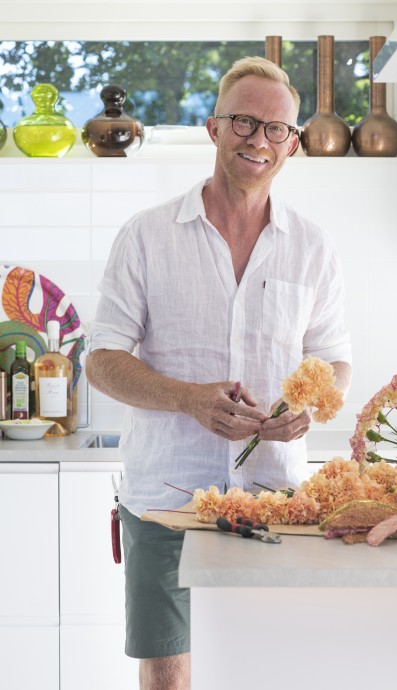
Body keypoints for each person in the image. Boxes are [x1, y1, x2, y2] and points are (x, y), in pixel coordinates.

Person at [85, 55, 352, 690]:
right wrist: (187, 399)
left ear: (292, 144)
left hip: (276, 502)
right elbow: (101, 360)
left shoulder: (312, 247)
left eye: (276, 128)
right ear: (214, 128)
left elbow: (335, 361)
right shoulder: (146, 236)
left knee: (269, 670)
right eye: (244, 122)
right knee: (168, 675)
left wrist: (312, 403)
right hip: (165, 502)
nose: (259, 139)